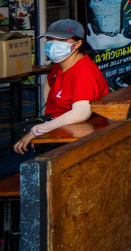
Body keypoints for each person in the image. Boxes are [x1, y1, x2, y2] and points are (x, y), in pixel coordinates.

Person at [0, 20, 108, 176]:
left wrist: (36, 132)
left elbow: (81, 113)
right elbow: (50, 83)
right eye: (51, 39)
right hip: (55, 132)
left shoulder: (84, 72)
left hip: (69, 141)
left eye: (61, 40)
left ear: (77, 44)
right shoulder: (60, 65)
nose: (53, 44)